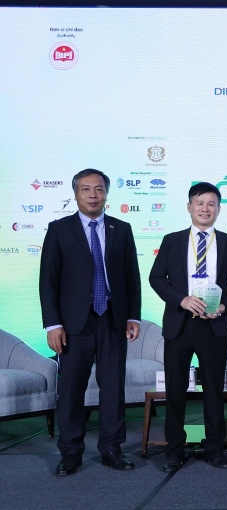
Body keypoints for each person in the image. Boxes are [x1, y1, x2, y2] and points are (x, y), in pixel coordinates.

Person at [39, 168, 142, 476]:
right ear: (76, 194)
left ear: (106, 194)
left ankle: (112, 449)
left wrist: (132, 315)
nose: (93, 195)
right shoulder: (59, 229)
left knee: (113, 388)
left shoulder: (121, 228)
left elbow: (131, 277)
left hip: (112, 319)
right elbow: (48, 281)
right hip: (73, 325)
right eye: (86, 189)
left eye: (99, 189)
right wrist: (52, 324)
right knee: (71, 389)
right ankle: (71, 452)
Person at [149, 182, 227, 472]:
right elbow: (156, 278)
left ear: (218, 209)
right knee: (175, 391)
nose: (205, 209)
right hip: (180, 326)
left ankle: (215, 447)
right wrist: (182, 299)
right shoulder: (172, 240)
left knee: (214, 391)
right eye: (200, 203)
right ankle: (174, 450)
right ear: (189, 207)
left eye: (211, 204)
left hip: (214, 327)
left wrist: (224, 305)